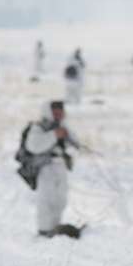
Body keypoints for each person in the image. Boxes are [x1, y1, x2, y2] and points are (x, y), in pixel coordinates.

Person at [16, 101, 82, 238]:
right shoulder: (38, 127)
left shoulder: (64, 127)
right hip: (45, 167)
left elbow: (76, 146)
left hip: (60, 167)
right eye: (55, 111)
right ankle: (44, 229)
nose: (59, 114)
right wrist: (53, 135)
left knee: (60, 199)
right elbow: (33, 146)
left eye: (60, 111)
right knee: (46, 199)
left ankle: (55, 227)